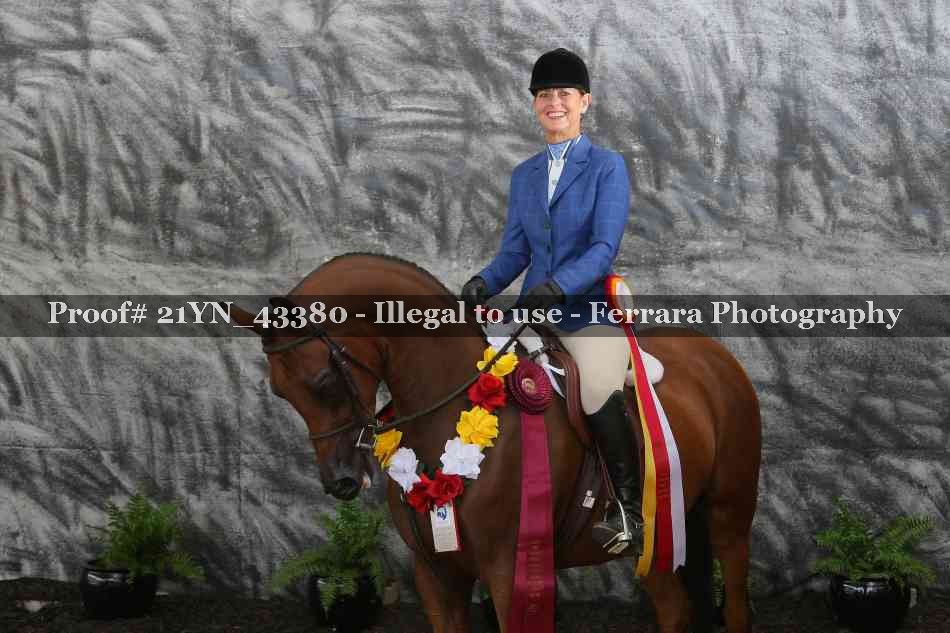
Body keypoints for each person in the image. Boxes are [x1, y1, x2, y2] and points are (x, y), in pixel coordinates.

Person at [461, 48, 643, 555]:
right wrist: (482, 282)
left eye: (564, 93)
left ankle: (627, 510)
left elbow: (604, 247)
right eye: (544, 94)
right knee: (479, 377)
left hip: (585, 313)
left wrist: (561, 285)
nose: (554, 102)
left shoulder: (607, 167)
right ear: (535, 104)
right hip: (530, 314)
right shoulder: (524, 175)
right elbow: (515, 252)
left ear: (584, 101)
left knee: (596, 389)